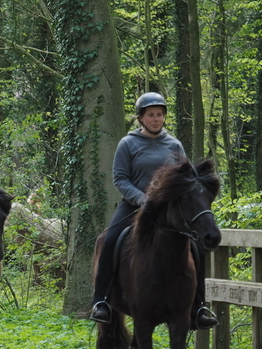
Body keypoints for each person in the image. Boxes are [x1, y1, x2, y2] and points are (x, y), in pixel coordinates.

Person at [90, 92, 218, 329]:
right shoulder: (127, 144)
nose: (156, 119)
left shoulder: (174, 145)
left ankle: (199, 306)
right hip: (134, 205)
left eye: (159, 115)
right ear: (140, 118)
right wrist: (141, 198)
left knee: (196, 249)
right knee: (110, 240)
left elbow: (187, 180)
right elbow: (120, 178)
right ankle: (102, 301)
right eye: (151, 115)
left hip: (169, 213)